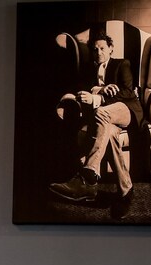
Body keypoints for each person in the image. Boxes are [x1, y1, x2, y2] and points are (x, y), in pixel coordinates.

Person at [50, 33, 143, 219]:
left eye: (102, 48)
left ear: (110, 49)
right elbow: (80, 91)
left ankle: (88, 174)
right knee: (111, 133)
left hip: (126, 111)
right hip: (107, 121)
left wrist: (101, 97)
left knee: (102, 112)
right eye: (95, 49)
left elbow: (126, 91)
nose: (98, 52)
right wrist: (99, 89)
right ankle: (126, 191)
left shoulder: (122, 64)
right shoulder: (87, 70)